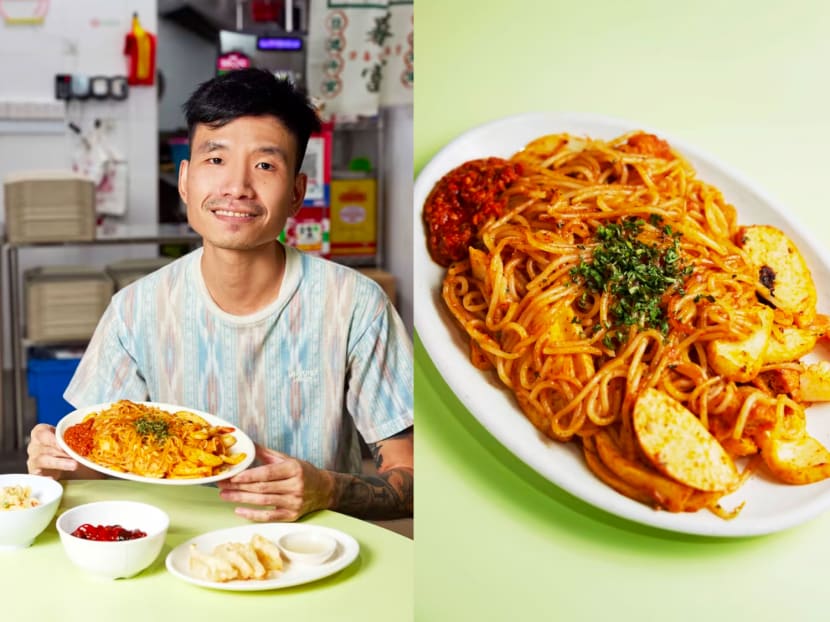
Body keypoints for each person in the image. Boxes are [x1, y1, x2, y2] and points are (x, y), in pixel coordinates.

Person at [26, 68, 414, 522]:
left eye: (265, 165)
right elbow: (97, 459)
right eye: (216, 160)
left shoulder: (355, 305)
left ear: (296, 193)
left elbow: (413, 478)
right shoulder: (135, 310)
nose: (237, 187)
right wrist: (60, 461)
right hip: (175, 553)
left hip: (316, 555)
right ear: (186, 181)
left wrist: (326, 488)